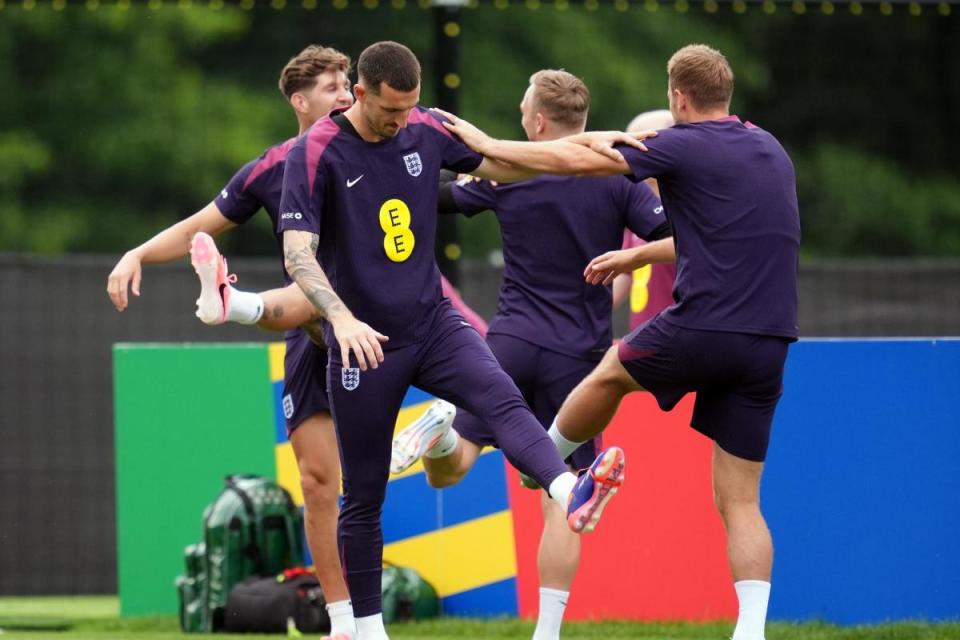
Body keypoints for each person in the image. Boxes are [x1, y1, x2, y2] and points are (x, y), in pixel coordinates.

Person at [442, 44, 800, 640]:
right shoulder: (769, 147)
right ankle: (752, 630)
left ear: (678, 99)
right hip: (770, 338)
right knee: (741, 502)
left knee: (612, 370)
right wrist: (637, 252)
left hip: (702, 322)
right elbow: (693, 228)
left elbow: (582, 159)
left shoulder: (681, 142)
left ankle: (547, 465)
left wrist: (486, 145)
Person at [276, 41, 632, 640]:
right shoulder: (316, 151)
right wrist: (340, 319)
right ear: (360, 94)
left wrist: (601, 148)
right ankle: (368, 629)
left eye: (412, 108)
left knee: (501, 399)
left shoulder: (426, 127)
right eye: (392, 111)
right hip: (364, 341)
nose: (401, 121)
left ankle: (571, 487)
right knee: (362, 494)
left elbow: (511, 164)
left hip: (434, 323)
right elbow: (297, 253)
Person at [388, 70, 674, 640]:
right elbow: (676, 237)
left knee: (454, 467)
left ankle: (442, 432)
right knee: (564, 497)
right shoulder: (618, 179)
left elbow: (437, 198)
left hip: (511, 343)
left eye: (523, 109)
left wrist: (387, 178)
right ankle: (547, 633)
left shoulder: (508, 172)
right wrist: (635, 257)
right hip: (579, 359)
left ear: (538, 122)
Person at [106, 45, 362, 640]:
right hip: (312, 332)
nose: (346, 92)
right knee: (320, 483)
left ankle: (238, 305)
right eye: (331, 86)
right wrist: (138, 252)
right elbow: (202, 223)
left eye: (348, 82)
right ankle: (344, 625)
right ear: (300, 102)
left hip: (386, 314)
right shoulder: (273, 167)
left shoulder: (382, 144)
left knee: (327, 293)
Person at [610, 110, 677, 329]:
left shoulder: (684, 210)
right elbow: (626, 276)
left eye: (636, 145)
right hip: (643, 335)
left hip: (674, 336)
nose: (627, 156)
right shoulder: (638, 212)